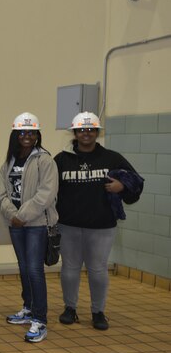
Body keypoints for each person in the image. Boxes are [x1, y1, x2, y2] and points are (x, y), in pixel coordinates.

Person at [55, 112, 142, 331]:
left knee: (98, 270)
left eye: (91, 129)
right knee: (69, 269)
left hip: (102, 226)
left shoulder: (111, 158)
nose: (86, 133)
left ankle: (98, 312)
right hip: (68, 225)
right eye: (82, 129)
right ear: (75, 133)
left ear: (97, 132)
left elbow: (136, 182)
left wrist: (122, 187)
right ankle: (70, 308)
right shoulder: (62, 159)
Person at [0, 112, 58, 343]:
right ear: (16, 134)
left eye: (31, 132)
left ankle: (40, 320)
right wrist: (12, 215)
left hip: (36, 224)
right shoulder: (9, 161)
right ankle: (28, 308)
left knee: (34, 269)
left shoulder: (45, 160)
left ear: (37, 135)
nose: (26, 136)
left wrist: (22, 215)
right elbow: (2, 193)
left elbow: (46, 194)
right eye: (22, 132)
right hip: (17, 224)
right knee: (23, 268)